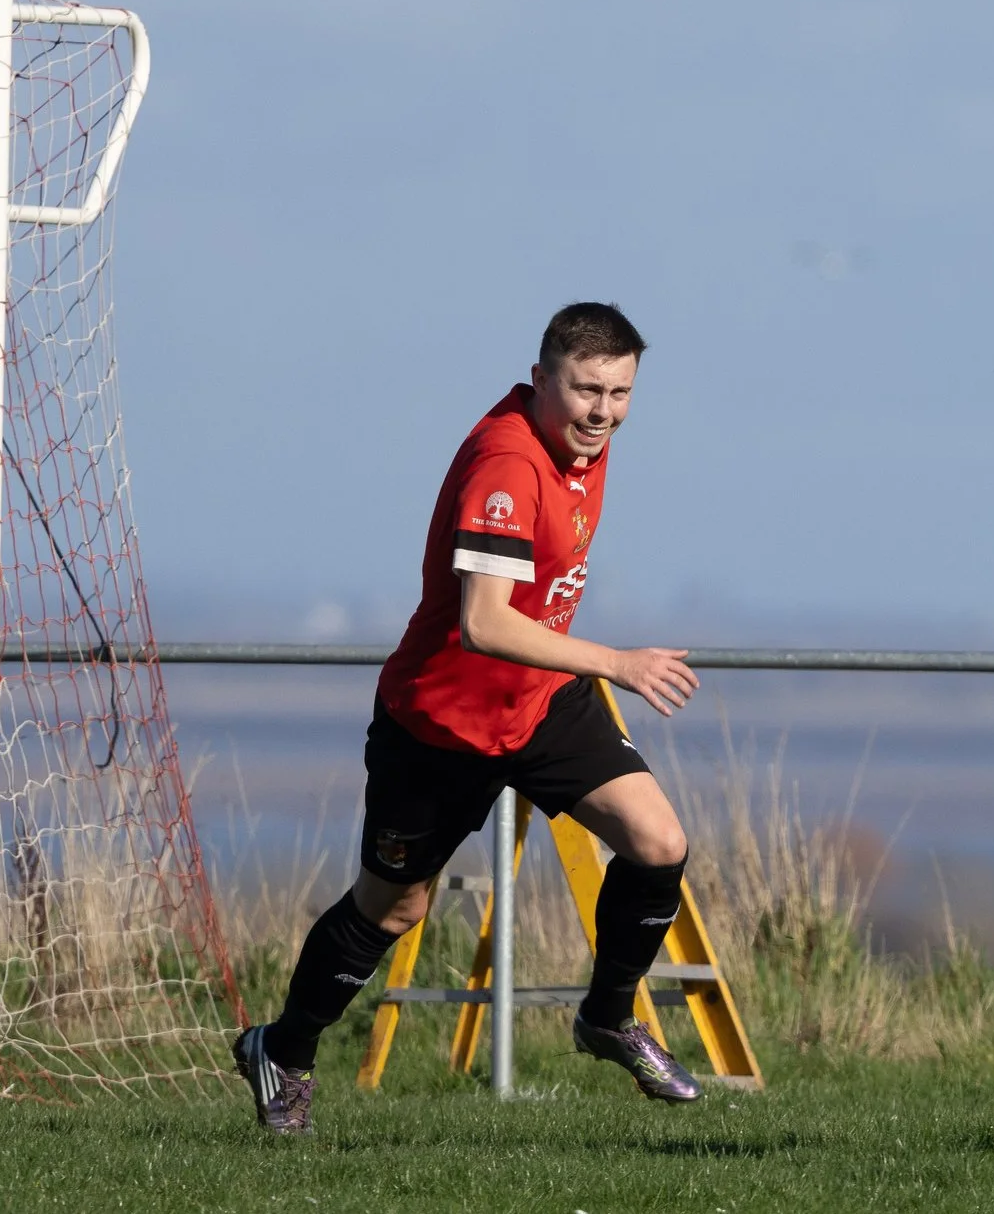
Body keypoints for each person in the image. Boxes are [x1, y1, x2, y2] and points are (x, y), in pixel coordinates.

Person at [233, 303, 704, 1134]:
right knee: (395, 909)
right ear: (540, 379)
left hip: (539, 700)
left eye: (620, 393)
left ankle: (607, 1017)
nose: (603, 411)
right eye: (585, 389)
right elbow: (484, 624)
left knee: (659, 841)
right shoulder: (506, 464)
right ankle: (285, 1048)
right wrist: (619, 664)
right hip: (442, 723)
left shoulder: (586, 444)